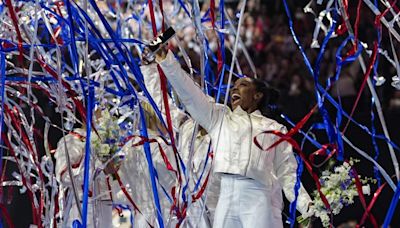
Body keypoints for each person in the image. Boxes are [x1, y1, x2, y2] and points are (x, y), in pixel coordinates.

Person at [153, 47, 312, 228]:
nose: (234, 89)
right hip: (225, 195)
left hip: (257, 196)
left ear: (257, 95)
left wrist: (306, 205)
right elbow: (190, 95)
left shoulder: (274, 129)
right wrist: (166, 60)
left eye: (242, 85)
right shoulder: (219, 119)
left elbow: (287, 173)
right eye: (233, 87)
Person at [141, 48, 220, 228]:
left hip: (221, 212)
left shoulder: (223, 131)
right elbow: (160, 102)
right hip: (191, 212)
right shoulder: (186, 127)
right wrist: (149, 67)